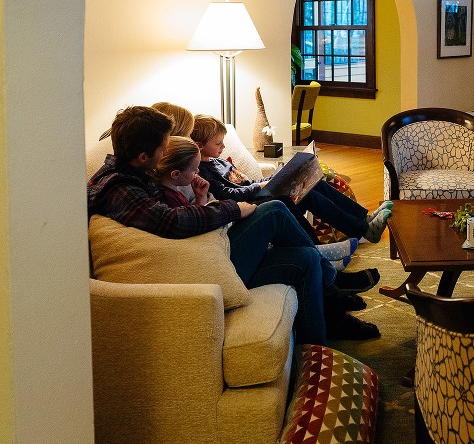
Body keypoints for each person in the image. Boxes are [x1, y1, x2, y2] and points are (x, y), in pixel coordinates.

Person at [88, 106, 379, 343]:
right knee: (275, 210)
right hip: (203, 264)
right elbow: (172, 221)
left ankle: (326, 326)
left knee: (304, 257)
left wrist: (204, 201)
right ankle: (333, 281)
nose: (167, 153)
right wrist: (232, 209)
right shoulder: (119, 189)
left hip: (211, 247)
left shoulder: (137, 174)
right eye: (164, 148)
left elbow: (177, 211)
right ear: (143, 156)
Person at [191, 114, 393, 247]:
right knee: (306, 194)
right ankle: (361, 231)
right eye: (218, 143)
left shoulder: (218, 161)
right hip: (249, 205)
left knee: (313, 184)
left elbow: (246, 182)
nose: (223, 146)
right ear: (199, 146)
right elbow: (229, 194)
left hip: (257, 193)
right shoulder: (203, 171)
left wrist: (277, 176)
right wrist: (261, 185)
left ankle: (364, 220)